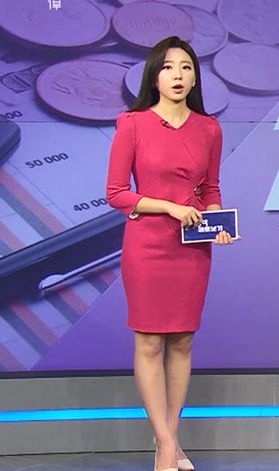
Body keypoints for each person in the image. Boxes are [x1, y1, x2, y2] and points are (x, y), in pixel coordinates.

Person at [106, 36, 234, 471]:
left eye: (185, 67)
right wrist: (169, 207)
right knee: (148, 341)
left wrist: (217, 221)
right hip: (147, 245)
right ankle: (164, 444)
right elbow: (116, 193)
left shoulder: (209, 128)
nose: (177, 75)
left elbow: (211, 188)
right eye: (167, 67)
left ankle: (171, 437)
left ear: (195, 77)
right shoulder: (133, 124)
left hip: (192, 248)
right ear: (153, 77)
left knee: (181, 340)